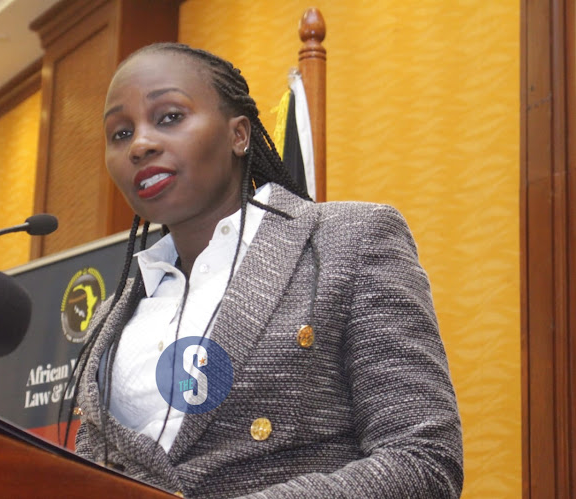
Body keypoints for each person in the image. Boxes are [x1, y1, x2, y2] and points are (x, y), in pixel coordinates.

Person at [65, 42, 463, 498]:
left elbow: (425, 462)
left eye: (169, 116)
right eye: (119, 133)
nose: (141, 144)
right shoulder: (110, 319)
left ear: (239, 135)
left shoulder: (350, 240)